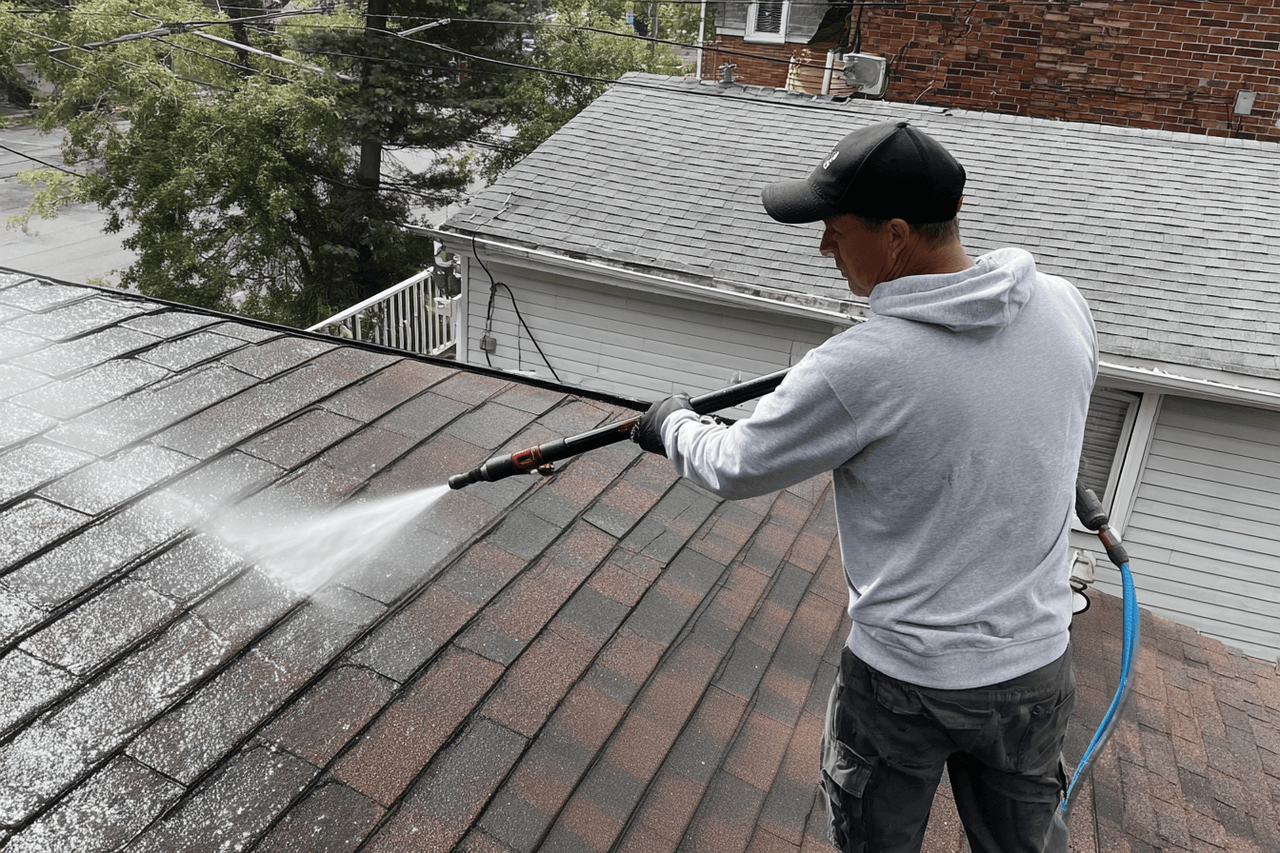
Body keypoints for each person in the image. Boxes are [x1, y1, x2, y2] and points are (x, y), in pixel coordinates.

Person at [630, 120, 1098, 853]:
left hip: (903, 683)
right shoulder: (1065, 305)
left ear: (898, 235)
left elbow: (732, 465)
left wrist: (672, 425)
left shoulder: (860, 367)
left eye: (835, 230)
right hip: (1033, 671)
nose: (824, 248)